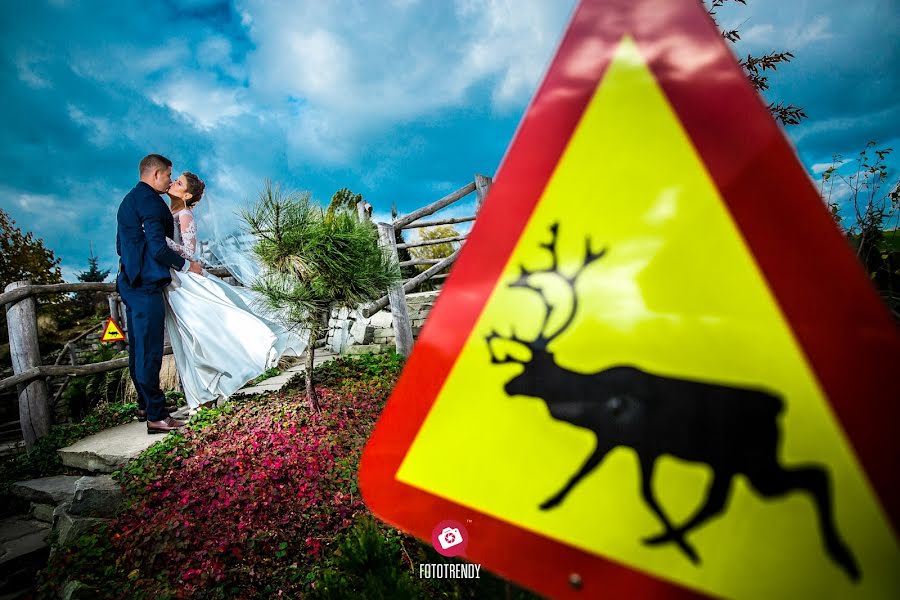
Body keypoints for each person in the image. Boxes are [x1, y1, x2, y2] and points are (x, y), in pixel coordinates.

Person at [161, 171, 308, 413]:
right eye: (174, 180)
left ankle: (217, 383)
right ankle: (201, 396)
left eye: (179, 183)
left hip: (185, 279)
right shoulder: (169, 212)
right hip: (175, 279)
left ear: (187, 195)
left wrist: (163, 241)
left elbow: (190, 250)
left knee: (204, 332)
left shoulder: (185, 214)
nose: (173, 183)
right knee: (189, 337)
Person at [116, 154, 202, 434]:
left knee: (138, 348)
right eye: (167, 175)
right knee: (150, 349)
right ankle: (156, 415)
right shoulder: (152, 203)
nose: (168, 181)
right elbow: (158, 248)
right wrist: (187, 265)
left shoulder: (129, 201)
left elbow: (121, 246)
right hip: (145, 284)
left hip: (129, 280)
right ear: (155, 174)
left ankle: (144, 404)